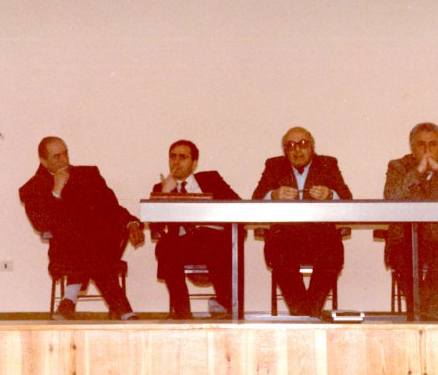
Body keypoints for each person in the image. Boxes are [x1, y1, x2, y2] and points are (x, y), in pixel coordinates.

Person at [19, 136, 145, 320]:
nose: (64, 160)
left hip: (99, 247)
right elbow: (42, 224)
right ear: (43, 161)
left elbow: (112, 208)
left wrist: (131, 223)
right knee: (87, 245)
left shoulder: (89, 175)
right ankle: (123, 309)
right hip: (67, 252)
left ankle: (69, 297)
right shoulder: (32, 188)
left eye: (66, 153)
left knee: (89, 240)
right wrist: (56, 191)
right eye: (56, 157)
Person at [252, 126, 352, 317]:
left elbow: (347, 198)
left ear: (312, 147)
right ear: (284, 150)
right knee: (278, 253)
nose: (297, 150)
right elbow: (256, 199)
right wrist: (273, 195)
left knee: (332, 254)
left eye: (303, 144)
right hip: (285, 238)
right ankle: (309, 315)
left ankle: (304, 315)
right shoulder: (274, 166)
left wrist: (331, 194)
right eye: (290, 145)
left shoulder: (327, 164)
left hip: (320, 238)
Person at [383, 122, 438, 319]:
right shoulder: (398, 166)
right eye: (421, 144)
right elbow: (390, 197)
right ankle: (426, 314)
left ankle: (419, 313)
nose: (426, 150)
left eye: (432, 144)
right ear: (412, 147)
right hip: (405, 240)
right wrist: (417, 172)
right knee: (402, 258)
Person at [150, 140, 241, 319]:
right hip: (185, 244)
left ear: (194, 163)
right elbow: (156, 227)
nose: (176, 162)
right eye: (173, 157)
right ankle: (182, 311)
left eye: (183, 157)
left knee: (213, 239)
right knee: (164, 246)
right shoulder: (160, 189)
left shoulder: (211, 179)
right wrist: (165, 193)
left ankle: (225, 303)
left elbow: (237, 206)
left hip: (215, 239)